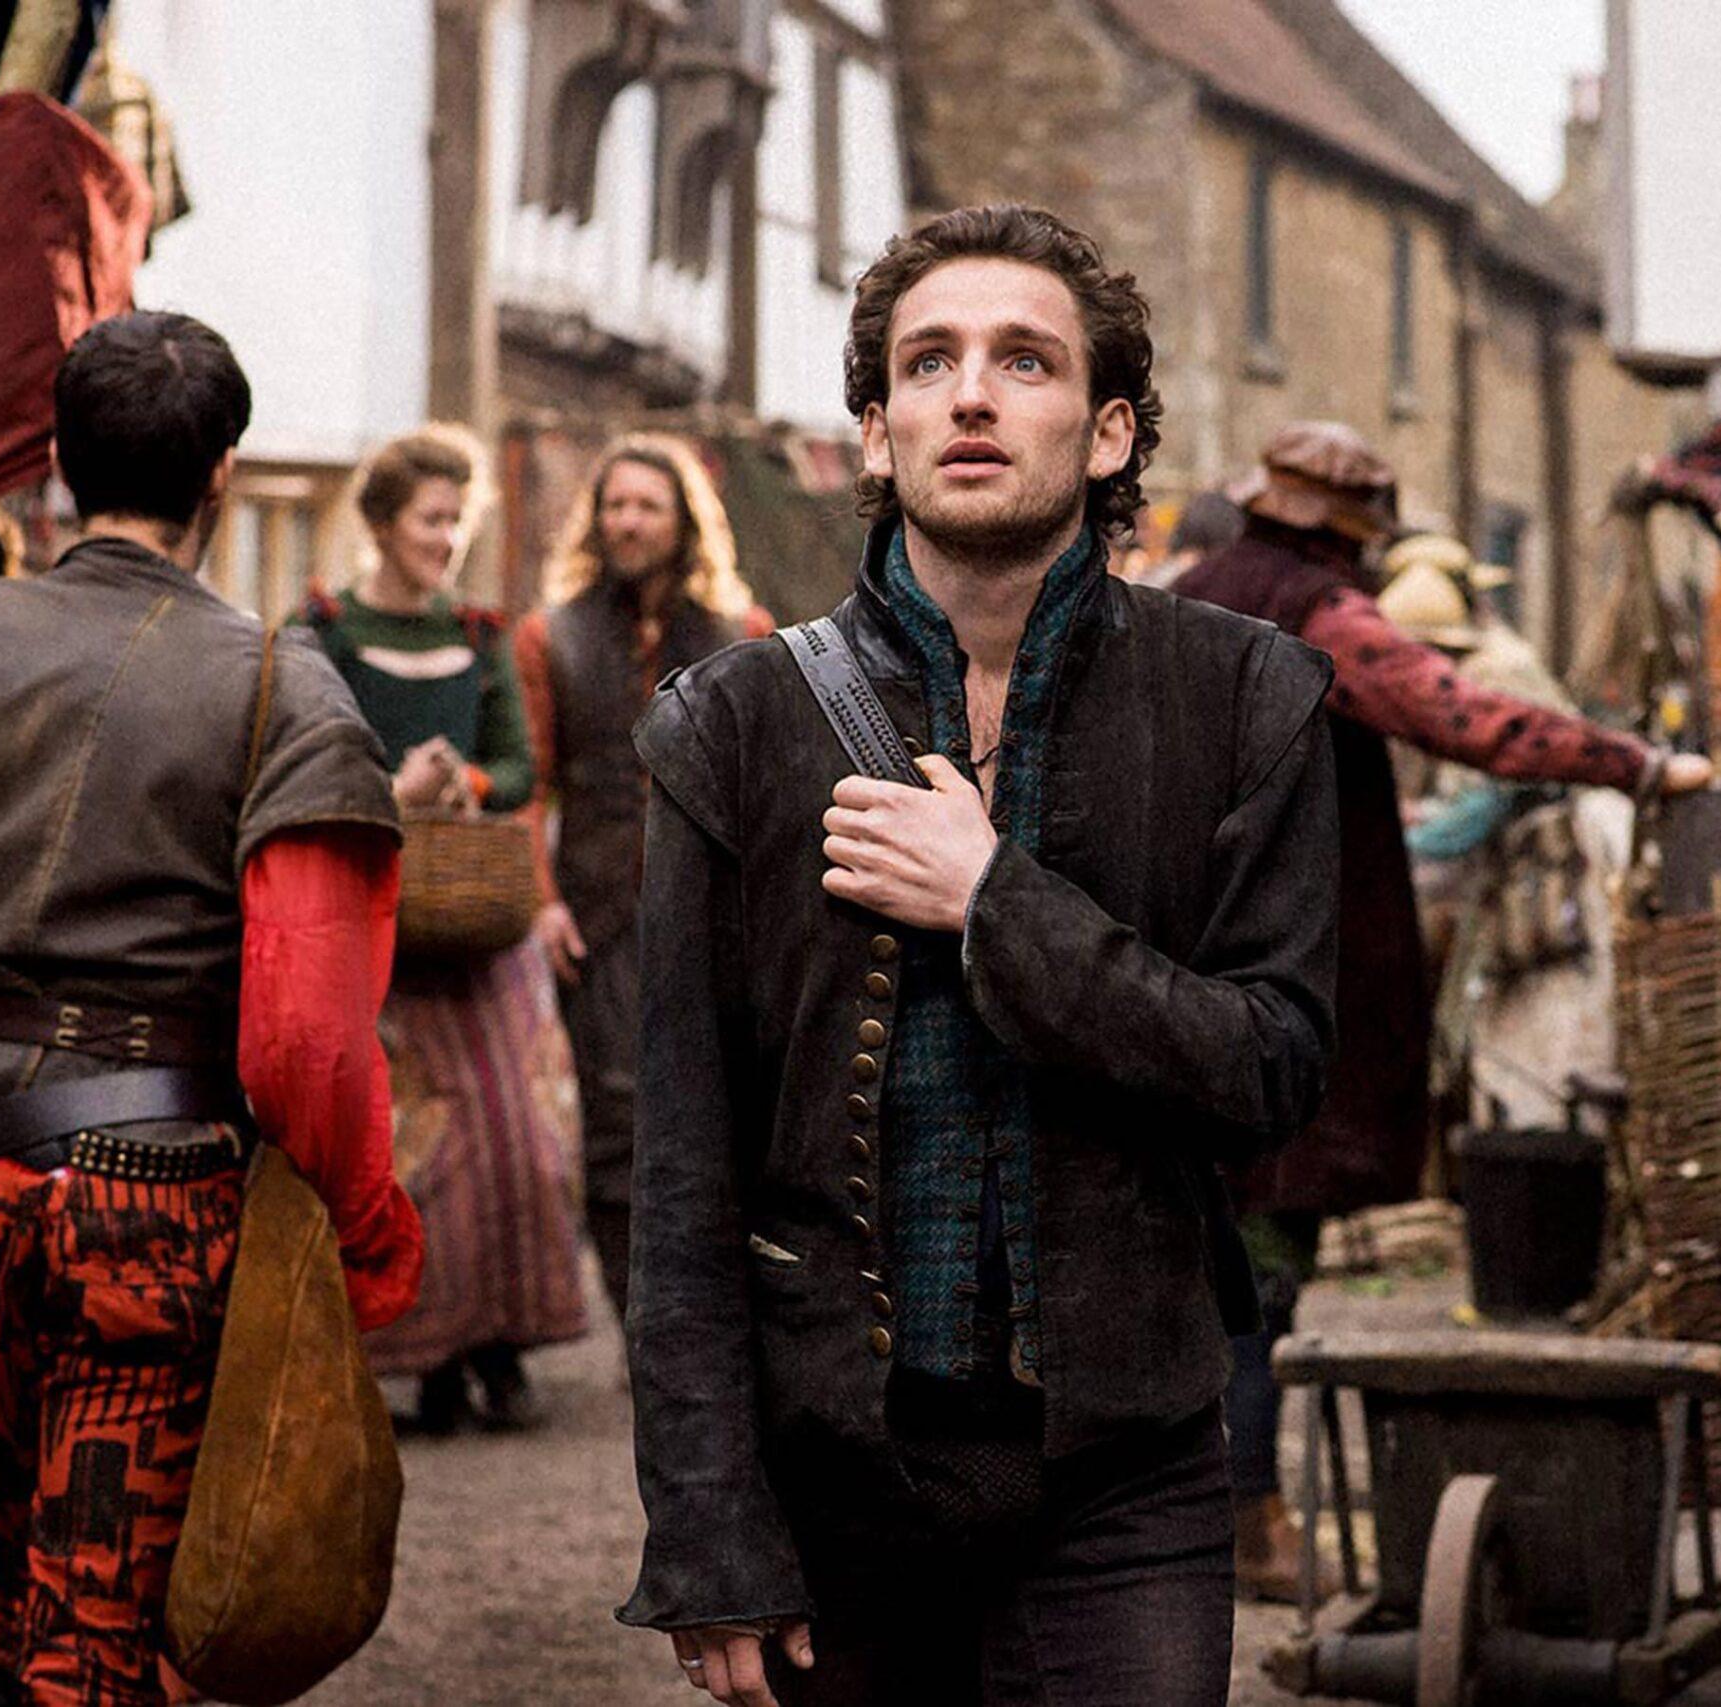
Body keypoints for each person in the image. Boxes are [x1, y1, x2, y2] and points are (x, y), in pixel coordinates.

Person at [619, 204, 1340, 1707]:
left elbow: (1272, 1069)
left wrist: (996, 900)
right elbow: (682, 1166)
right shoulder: (731, 723)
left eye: (1024, 360)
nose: (970, 395)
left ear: (1107, 431)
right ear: (876, 434)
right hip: (835, 1468)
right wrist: (707, 1524)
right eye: (928, 362)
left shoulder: (1246, 697)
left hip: (1129, 1469)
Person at [0, 310, 423, 1706]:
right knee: (91, 1638)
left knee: (27, 1603)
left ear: (59, 462)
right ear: (222, 473)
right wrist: (363, 1230)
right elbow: (306, 1031)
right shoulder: (282, 685)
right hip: (156, 1209)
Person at [1173, 422, 1712, 1603]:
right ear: (1350, 532)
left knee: (1207, 1256)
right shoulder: (1316, 614)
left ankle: (1213, 1516)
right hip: (1273, 968)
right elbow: (1464, 718)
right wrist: (1633, 764)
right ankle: (1248, 1523)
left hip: (1175, 961)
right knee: (1261, 1260)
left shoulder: (1175, 594)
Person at [298, 426, 589, 1434]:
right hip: (373, 924)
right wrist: (388, 787)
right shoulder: (321, 632)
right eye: (431, 519)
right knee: (413, 1150)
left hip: (473, 918)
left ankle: (500, 1345)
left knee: (519, 1142)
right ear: (382, 522)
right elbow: (297, 757)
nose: (447, 538)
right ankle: (424, 1354)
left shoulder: (477, 633)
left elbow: (516, 766)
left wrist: (462, 779)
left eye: (458, 521)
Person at [509, 434, 762, 1329]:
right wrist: (542, 902)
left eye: (647, 505)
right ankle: (641, 1328)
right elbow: (531, 786)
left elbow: (768, 792)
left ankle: (711, 1320)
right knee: (616, 1133)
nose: (627, 521)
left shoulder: (746, 636)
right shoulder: (550, 636)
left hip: (714, 918)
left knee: (720, 1119)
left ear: (683, 521)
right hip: (601, 918)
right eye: (614, 504)